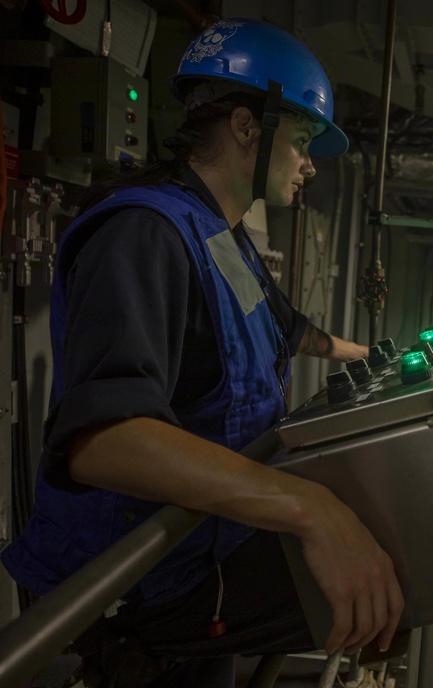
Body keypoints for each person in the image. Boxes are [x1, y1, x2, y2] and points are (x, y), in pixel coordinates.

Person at [0, 18, 403, 687]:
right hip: (138, 582)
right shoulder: (143, 233)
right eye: (302, 140)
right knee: (405, 568)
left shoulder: (222, 236)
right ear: (248, 126)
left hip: (204, 542)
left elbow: (288, 328)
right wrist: (311, 508)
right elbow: (104, 442)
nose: (309, 163)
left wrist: (369, 354)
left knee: (398, 563)